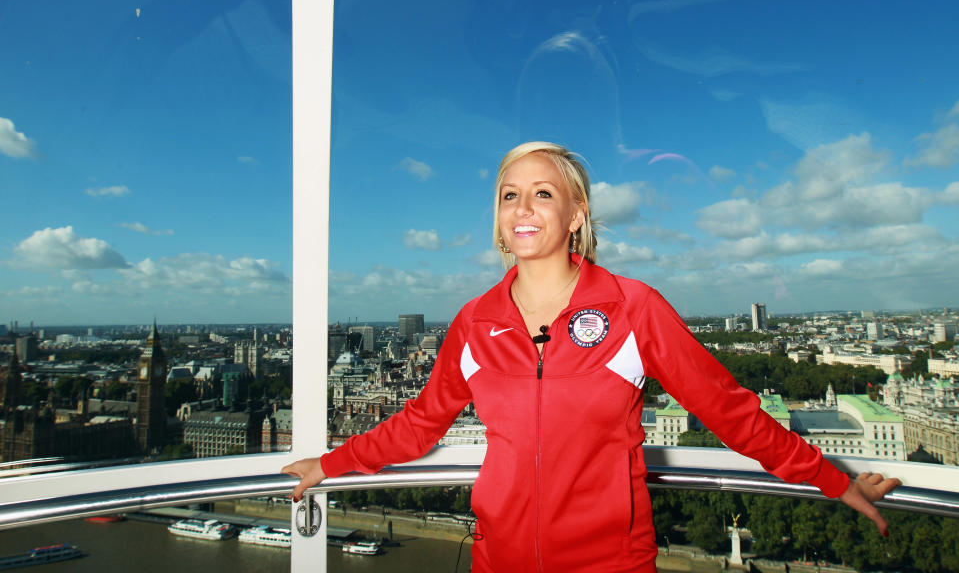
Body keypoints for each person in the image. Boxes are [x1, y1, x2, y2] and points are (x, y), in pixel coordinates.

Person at [283, 141, 900, 572]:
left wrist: (828, 477)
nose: (522, 208)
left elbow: (730, 411)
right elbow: (420, 424)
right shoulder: (474, 323)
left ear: (576, 215)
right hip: (498, 561)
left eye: (542, 193)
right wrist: (329, 465)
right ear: (498, 224)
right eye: (508, 196)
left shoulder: (634, 308)